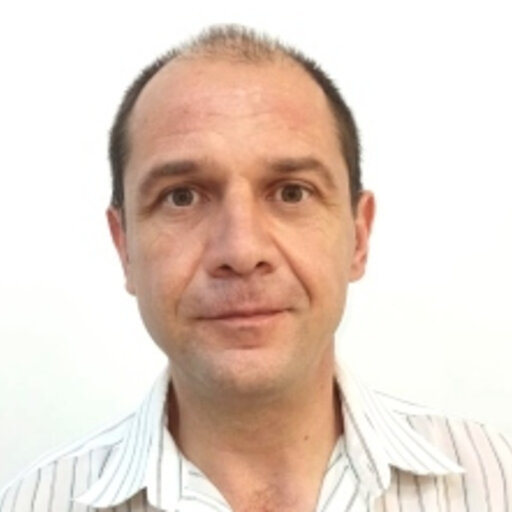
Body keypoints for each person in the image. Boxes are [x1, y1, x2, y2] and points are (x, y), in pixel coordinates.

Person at [0, 24, 510, 512]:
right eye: (182, 197)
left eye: (292, 193)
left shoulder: (497, 480)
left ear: (358, 237)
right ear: (124, 247)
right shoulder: (31, 504)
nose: (242, 251)